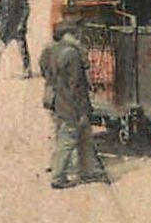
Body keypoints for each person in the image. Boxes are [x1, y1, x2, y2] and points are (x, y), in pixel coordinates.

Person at [42, 23, 105, 189]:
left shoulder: (51, 49)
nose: (78, 37)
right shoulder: (72, 54)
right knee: (68, 138)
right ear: (67, 34)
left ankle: (86, 171)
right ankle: (58, 176)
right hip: (70, 103)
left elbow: (44, 69)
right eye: (74, 34)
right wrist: (83, 111)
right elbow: (77, 85)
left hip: (56, 99)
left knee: (84, 136)